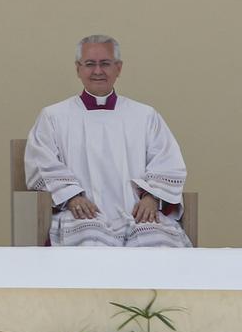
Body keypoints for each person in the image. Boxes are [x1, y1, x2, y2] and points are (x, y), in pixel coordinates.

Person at [25, 34, 192, 247]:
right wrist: (72, 197)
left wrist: (151, 198)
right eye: (89, 64)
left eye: (105, 63)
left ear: (118, 68)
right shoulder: (53, 116)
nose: (97, 71)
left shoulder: (145, 115)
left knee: (158, 248)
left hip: (138, 214)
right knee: (89, 247)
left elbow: (168, 162)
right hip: (82, 214)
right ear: (78, 69)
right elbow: (41, 164)